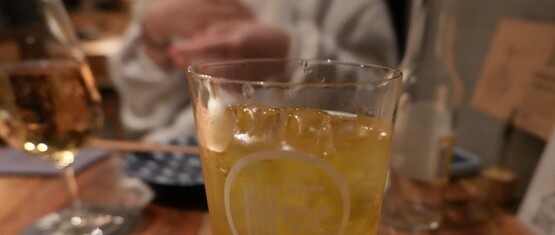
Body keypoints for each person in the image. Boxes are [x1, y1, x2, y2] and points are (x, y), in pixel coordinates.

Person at [108, 0, 399, 143]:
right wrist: (153, 33)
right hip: (176, 170)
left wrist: (290, 53)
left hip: (311, 173)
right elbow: (141, 114)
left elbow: (381, 99)